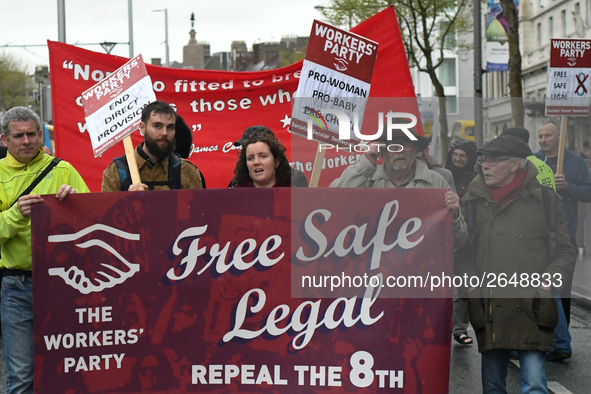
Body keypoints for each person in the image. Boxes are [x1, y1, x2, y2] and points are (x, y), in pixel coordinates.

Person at [455, 135, 575, 393]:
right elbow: (461, 253)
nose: (485, 166)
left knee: (533, 384)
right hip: (489, 305)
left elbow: (565, 251)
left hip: (533, 305)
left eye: (493, 161)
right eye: (483, 161)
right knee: (493, 385)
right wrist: (472, 287)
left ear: (515, 165)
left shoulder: (546, 200)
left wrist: (546, 284)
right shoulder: (472, 201)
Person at [0, 106, 90, 394]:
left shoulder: (64, 170)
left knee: (66, 369)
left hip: (63, 284)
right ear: (4, 140)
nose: (26, 141)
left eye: (31, 134)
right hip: (16, 287)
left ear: (41, 135)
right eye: (18, 136)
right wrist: (16, 213)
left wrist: (76, 205)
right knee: (22, 377)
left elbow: (96, 220)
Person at [329, 127, 467, 246]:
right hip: (373, 271)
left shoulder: (436, 182)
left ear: (415, 150)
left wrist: (454, 215)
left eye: (405, 144)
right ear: (381, 152)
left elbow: (459, 240)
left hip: (419, 272)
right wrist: (364, 165)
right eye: (392, 146)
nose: (399, 150)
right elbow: (331, 201)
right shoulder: (367, 178)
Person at [535, 121, 591, 360]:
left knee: (561, 287)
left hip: (565, 233)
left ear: (559, 136)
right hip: (537, 233)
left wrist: (568, 186)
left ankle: (561, 338)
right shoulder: (533, 161)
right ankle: (540, 336)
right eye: (540, 136)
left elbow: (588, 193)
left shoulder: (575, 162)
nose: (543, 140)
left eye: (548, 135)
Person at [101, 101, 203, 192]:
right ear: (142, 128)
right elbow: (105, 212)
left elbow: (200, 212)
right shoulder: (116, 172)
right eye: (157, 126)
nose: (164, 133)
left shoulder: (187, 171)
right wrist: (127, 202)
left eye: (170, 127)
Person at [444, 138, 478, 346]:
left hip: (464, 237)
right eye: (455, 155)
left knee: (461, 286)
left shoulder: (474, 181)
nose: (457, 159)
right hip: (440, 236)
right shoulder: (442, 176)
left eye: (462, 156)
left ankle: (459, 328)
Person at [230, 125, 308, 187]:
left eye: (263, 156)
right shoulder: (236, 192)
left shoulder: (293, 189)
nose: (256, 162)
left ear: (276, 161)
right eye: (250, 158)